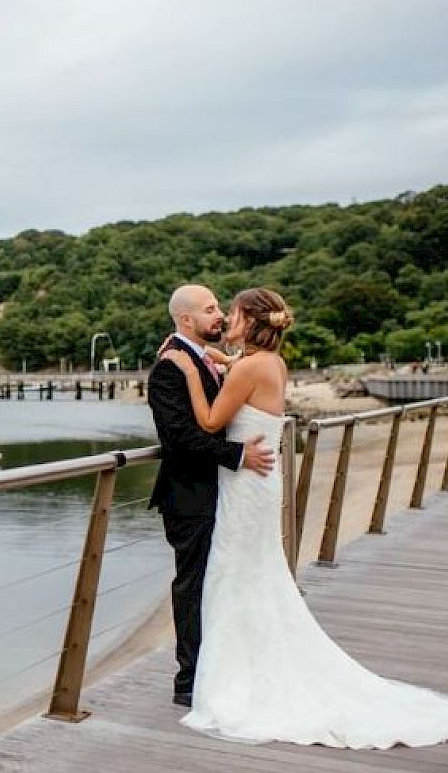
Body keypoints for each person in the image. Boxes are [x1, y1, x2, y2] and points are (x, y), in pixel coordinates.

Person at [160, 286, 448, 747]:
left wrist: (189, 368)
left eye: (232, 312)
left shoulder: (247, 367)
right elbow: (240, 378)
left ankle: (233, 674)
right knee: (250, 575)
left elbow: (208, 422)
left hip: (246, 485)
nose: (226, 318)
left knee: (236, 576)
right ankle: (246, 665)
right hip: (255, 484)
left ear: (251, 321)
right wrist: (215, 359)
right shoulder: (267, 363)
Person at [148, 284, 275, 708]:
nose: (219, 315)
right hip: (189, 495)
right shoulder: (170, 367)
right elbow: (180, 438)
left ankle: (216, 669)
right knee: (194, 586)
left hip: (220, 492)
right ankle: (188, 681)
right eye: (210, 310)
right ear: (186, 320)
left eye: (221, 308)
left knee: (216, 583)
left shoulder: (203, 359)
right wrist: (237, 454)